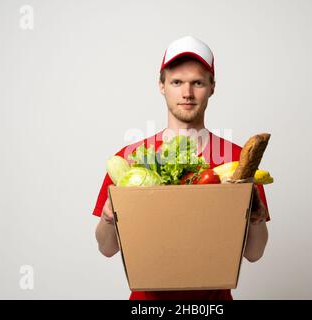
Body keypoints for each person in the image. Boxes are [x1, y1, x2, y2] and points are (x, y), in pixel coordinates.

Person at [93, 36, 270, 300]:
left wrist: (255, 217)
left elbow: (254, 254)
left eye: (197, 82)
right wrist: (110, 216)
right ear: (161, 85)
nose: (187, 93)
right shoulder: (130, 160)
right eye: (176, 82)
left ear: (212, 87)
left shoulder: (237, 160)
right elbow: (107, 249)